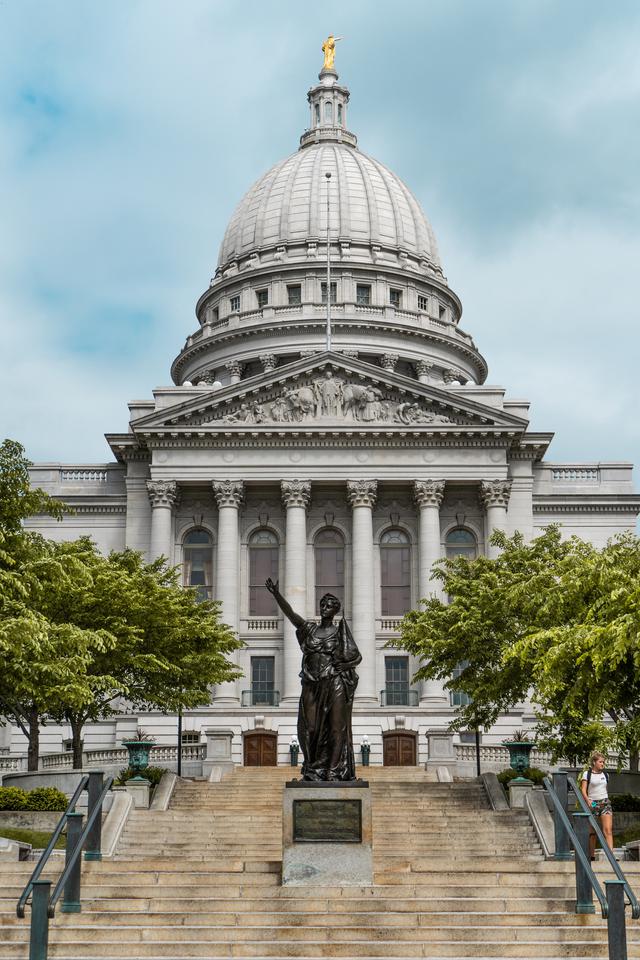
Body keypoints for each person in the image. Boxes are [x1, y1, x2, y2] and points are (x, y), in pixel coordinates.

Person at [265, 578, 361, 781]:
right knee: (309, 728)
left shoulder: (340, 632)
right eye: (323, 604)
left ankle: (333, 770)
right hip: (311, 684)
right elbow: (291, 615)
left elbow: (356, 656)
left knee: (336, 728)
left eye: (329, 606)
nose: (325, 608)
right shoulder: (309, 629)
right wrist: (276, 594)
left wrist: (344, 666)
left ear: (335, 611)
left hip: (334, 682)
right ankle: (312, 768)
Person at [580, 751, 614, 860]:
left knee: (608, 830)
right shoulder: (587, 774)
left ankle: (611, 857)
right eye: (600, 762)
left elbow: (605, 789)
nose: (602, 764)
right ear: (594, 762)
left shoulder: (605, 774)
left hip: (605, 803)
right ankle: (592, 856)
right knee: (592, 832)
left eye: (603, 762)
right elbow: (583, 790)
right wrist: (588, 801)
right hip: (593, 803)